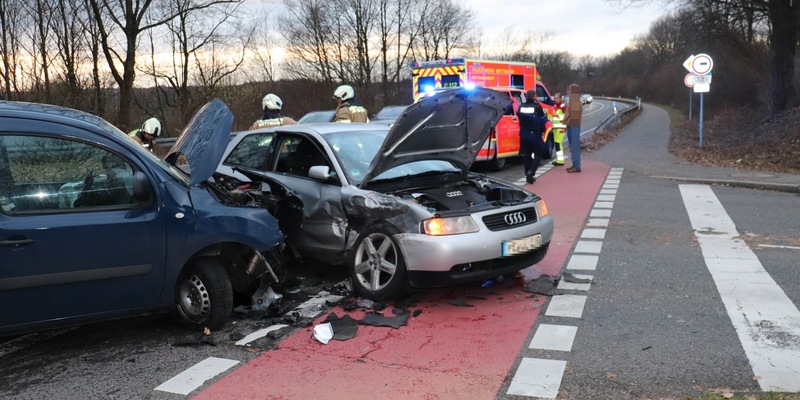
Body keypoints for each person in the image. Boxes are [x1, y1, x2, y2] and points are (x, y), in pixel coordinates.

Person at [518, 89, 552, 184]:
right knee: (538, 154)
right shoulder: (537, 107)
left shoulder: (521, 106)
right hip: (535, 134)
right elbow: (543, 119)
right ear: (535, 96)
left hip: (524, 134)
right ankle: (531, 172)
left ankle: (527, 176)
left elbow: (520, 117)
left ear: (526, 97)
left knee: (527, 156)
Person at [563, 83, 583, 172]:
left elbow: (572, 115)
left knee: (574, 145)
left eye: (569, 90)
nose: (568, 92)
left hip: (573, 125)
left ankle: (576, 166)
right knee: (573, 145)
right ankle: (575, 164)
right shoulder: (573, 100)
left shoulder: (575, 101)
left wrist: (564, 121)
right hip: (572, 125)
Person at [550, 92, 568, 166]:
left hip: (561, 128)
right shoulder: (555, 106)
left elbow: (567, 115)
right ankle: (559, 160)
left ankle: (560, 161)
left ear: (560, 99)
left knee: (558, 143)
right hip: (556, 128)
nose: (555, 99)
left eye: (557, 98)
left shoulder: (562, 106)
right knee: (557, 144)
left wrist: (561, 119)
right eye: (554, 98)